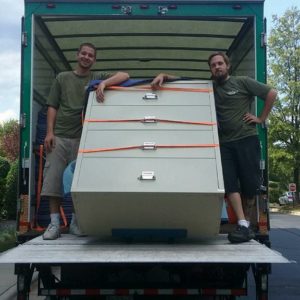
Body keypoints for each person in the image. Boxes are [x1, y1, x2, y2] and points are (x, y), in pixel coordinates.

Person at [151, 52, 277, 243]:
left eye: (220, 64)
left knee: (250, 184)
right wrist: (164, 76)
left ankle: (248, 224)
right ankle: (242, 224)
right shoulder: (210, 87)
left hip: (246, 139)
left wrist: (261, 118)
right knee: (229, 183)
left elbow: (271, 93)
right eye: (213, 65)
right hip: (224, 143)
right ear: (210, 69)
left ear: (228, 65)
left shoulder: (242, 82)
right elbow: (186, 82)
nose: (217, 67)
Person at [41, 42, 129, 240]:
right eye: (84, 54)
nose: (86, 57)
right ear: (77, 55)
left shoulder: (96, 77)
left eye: (91, 55)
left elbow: (125, 75)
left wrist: (104, 84)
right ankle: (54, 224)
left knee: (79, 184)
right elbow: (52, 106)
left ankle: (75, 222)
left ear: (94, 60)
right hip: (60, 137)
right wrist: (49, 133)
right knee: (53, 180)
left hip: (84, 139)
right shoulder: (62, 77)